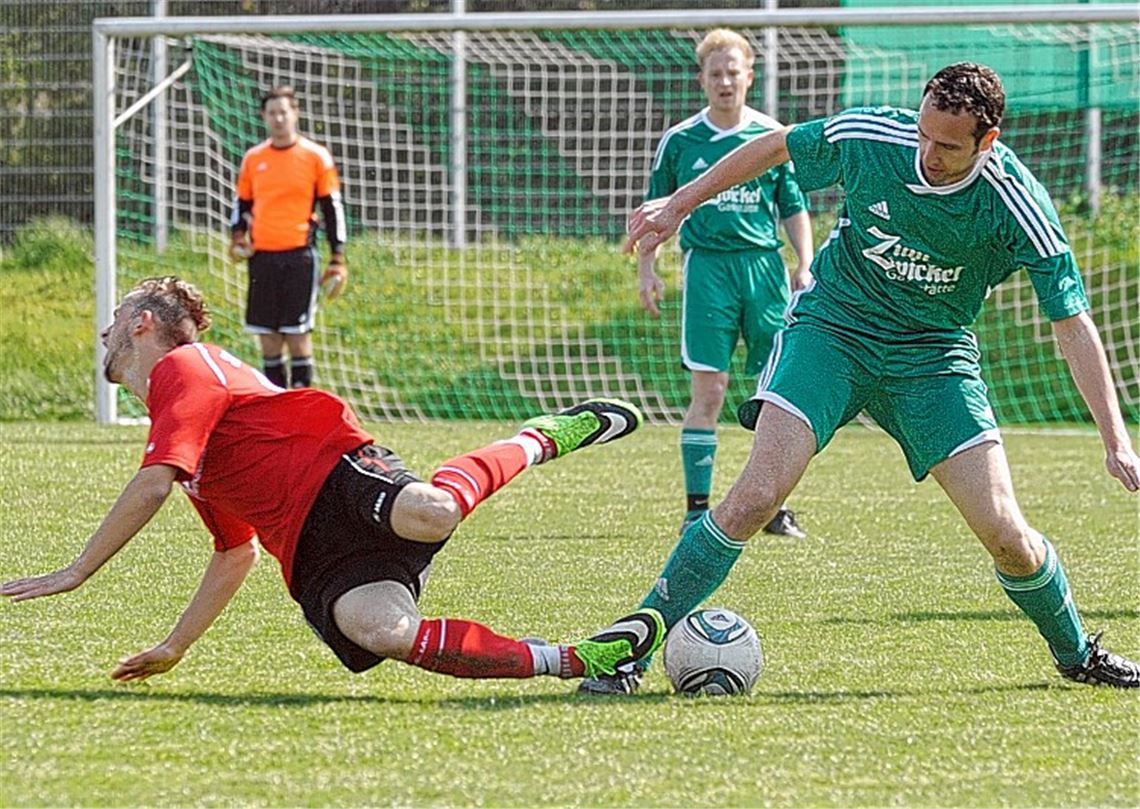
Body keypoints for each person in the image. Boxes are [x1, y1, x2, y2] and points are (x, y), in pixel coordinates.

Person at [593, 62, 1140, 693]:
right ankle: (628, 650)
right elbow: (776, 145)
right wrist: (680, 205)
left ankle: (1078, 655)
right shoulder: (873, 136)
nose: (927, 153)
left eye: (948, 146)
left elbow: (1071, 321)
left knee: (1006, 534)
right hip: (833, 332)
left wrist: (1115, 438)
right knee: (754, 497)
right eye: (924, 134)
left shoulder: (1016, 202)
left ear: (986, 142)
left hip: (933, 357)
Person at [0, 276, 664, 684]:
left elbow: (151, 484)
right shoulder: (181, 426)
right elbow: (234, 550)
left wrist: (77, 570)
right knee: (382, 629)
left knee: (432, 510)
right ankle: (581, 659)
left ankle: (540, 435)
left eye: (113, 319)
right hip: (314, 551)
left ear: (142, 324)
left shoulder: (187, 368)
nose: (101, 331)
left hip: (332, 470)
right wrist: (175, 645)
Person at [641, 29, 815, 540]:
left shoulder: (770, 136)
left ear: (749, 76)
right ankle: (697, 508)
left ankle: (774, 509)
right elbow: (655, 211)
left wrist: (803, 263)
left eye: (732, 72)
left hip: (763, 270)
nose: (724, 82)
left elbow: (794, 207)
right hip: (708, 270)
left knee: (778, 395)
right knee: (710, 389)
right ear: (703, 79)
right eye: (715, 73)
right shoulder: (680, 140)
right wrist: (646, 269)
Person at [230, 85, 347, 390]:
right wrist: (238, 237)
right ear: (264, 117)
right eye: (272, 113)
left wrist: (337, 257)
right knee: (268, 337)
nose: (279, 118)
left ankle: (302, 404)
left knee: (297, 335)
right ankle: (276, 405)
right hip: (262, 258)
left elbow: (332, 208)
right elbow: (241, 204)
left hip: (300, 257)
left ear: (295, 113)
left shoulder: (315, 157)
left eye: (284, 111)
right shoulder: (254, 159)